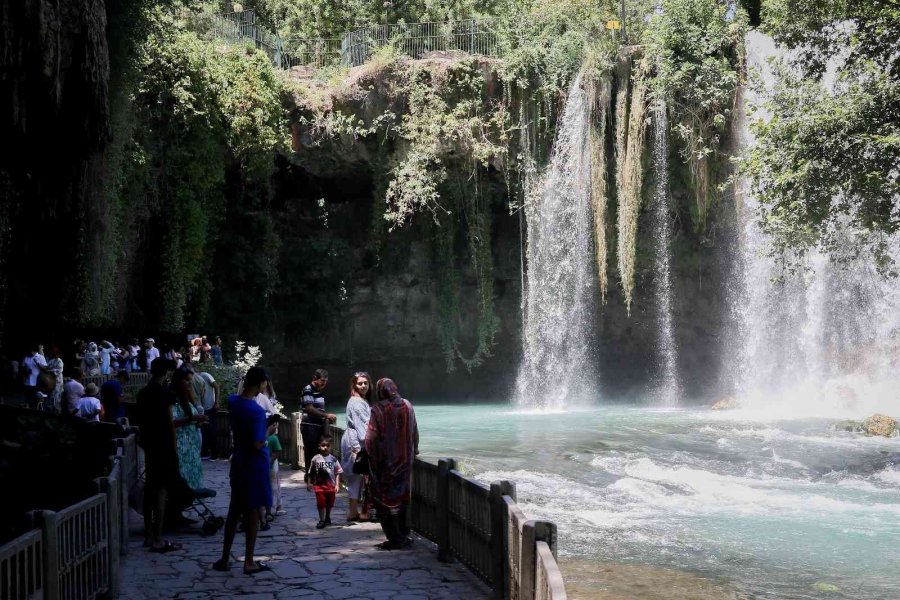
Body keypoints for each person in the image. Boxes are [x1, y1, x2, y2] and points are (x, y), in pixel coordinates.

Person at [213, 366, 272, 575]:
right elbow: (257, 443)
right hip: (254, 463)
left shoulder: (232, 401)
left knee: (234, 509)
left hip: (239, 460)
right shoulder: (257, 412)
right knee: (254, 510)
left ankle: (224, 557)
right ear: (260, 383)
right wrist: (268, 431)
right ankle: (249, 561)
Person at [366, 378, 419, 550]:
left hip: (385, 466)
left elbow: (370, 439)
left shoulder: (378, 409)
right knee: (402, 499)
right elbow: (415, 431)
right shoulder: (408, 405)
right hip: (405, 463)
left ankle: (394, 538)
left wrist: (373, 461)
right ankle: (404, 535)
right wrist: (414, 450)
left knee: (384, 501)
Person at [136, 358, 183, 553]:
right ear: (166, 373)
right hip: (163, 444)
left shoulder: (143, 394)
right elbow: (169, 422)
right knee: (161, 491)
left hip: (149, 444)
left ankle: (148, 535)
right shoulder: (164, 394)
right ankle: (158, 537)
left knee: (149, 488)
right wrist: (174, 449)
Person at [341, 371, 373, 522]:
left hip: (351, 439)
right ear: (354, 385)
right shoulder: (357, 403)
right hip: (355, 442)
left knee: (355, 477)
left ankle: (353, 511)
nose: (363, 386)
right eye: (360, 383)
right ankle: (355, 511)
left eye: (365, 383)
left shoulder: (358, 400)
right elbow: (363, 429)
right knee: (356, 476)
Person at [170, 367, 206, 490]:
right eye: (187, 380)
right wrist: (193, 418)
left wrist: (198, 420)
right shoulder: (173, 399)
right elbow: (172, 422)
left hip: (191, 445)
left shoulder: (186, 397)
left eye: (191, 380)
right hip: (181, 445)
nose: (190, 383)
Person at [300, 369, 335, 482]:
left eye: (326, 381)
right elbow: (309, 408)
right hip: (309, 425)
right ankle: (309, 477)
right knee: (310, 452)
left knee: (318, 451)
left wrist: (325, 418)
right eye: (322, 380)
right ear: (315, 378)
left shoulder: (319, 391)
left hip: (318, 426)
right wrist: (326, 415)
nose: (324, 383)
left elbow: (318, 408)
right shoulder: (308, 389)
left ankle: (317, 477)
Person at [307, 435, 342, 529]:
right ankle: (321, 520)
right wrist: (309, 482)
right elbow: (311, 471)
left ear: (331, 446)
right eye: (323, 445)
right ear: (319, 446)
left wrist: (337, 485)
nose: (325, 447)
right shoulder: (315, 459)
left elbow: (338, 472)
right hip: (319, 486)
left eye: (328, 445)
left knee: (330, 503)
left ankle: (328, 517)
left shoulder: (333, 459)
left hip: (331, 485)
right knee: (321, 502)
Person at [192, 371, 220, 459]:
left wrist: (216, 402)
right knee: (204, 430)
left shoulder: (205, 375)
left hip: (210, 406)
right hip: (201, 407)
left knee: (212, 430)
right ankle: (204, 452)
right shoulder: (191, 380)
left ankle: (214, 454)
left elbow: (216, 386)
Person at [266, 414, 284, 521]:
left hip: (267, 466)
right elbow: (276, 452)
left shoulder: (264, 437)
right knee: (273, 487)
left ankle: (273, 507)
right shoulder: (273, 439)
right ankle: (272, 508)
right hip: (271, 466)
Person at [46, 347, 65, 412]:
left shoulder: (59, 361)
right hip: (51, 381)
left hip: (58, 381)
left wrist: (50, 371)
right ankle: (51, 410)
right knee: (51, 396)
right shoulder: (50, 361)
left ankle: (57, 411)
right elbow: (47, 368)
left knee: (57, 397)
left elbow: (59, 370)